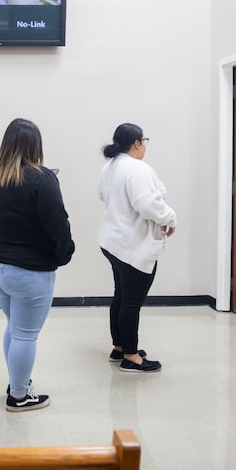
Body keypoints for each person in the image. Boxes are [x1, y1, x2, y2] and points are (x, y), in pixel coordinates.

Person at [0, 118, 74, 412]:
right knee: (25, 334)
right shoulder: (42, 179)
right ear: (36, 145)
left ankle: (16, 382)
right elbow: (58, 223)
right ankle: (19, 396)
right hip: (29, 272)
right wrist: (64, 254)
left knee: (16, 328)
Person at [98, 123, 176, 373]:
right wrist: (170, 218)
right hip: (132, 245)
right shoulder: (137, 168)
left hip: (113, 241)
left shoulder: (109, 167)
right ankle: (131, 356)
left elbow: (103, 195)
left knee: (121, 296)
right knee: (131, 301)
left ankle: (120, 346)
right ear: (137, 143)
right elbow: (148, 205)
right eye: (144, 140)